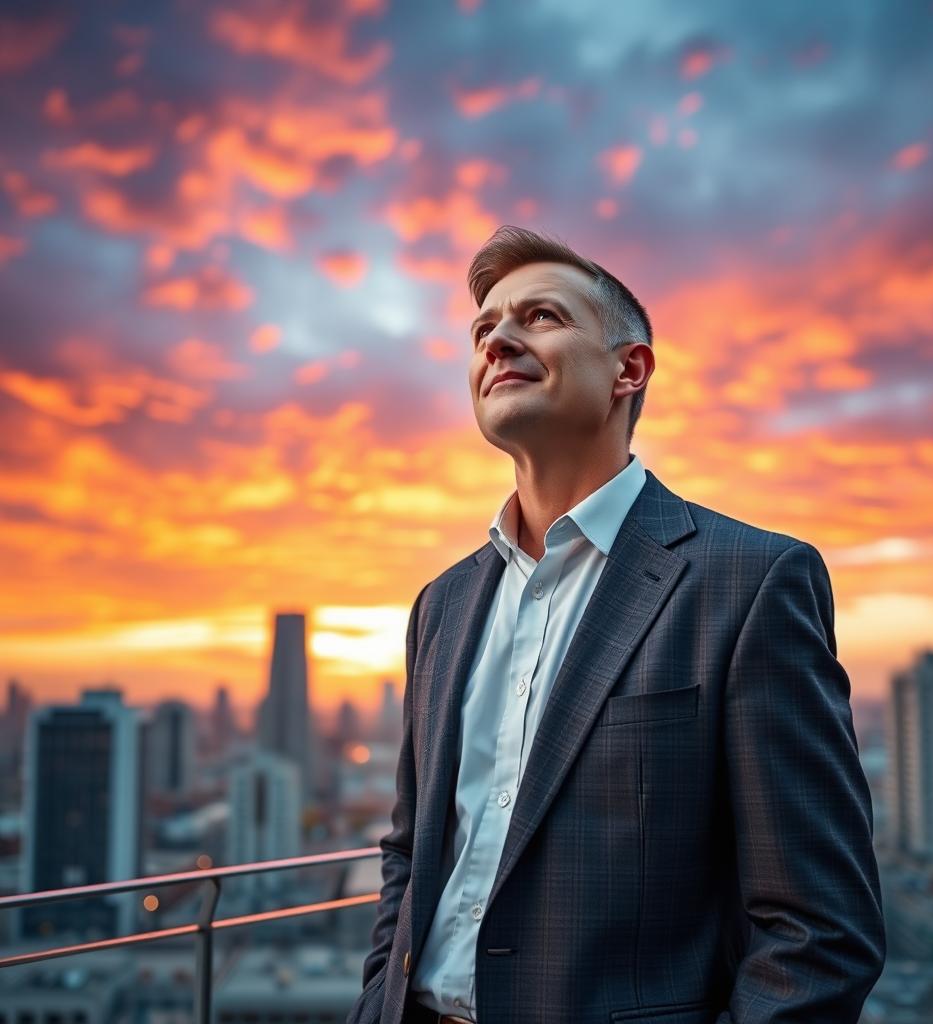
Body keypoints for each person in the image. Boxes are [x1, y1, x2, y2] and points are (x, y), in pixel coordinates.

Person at [346, 225, 885, 1024]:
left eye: (541, 317)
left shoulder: (750, 582)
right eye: (483, 328)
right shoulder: (443, 605)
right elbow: (411, 854)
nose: (499, 339)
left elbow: (820, 929)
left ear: (628, 369)